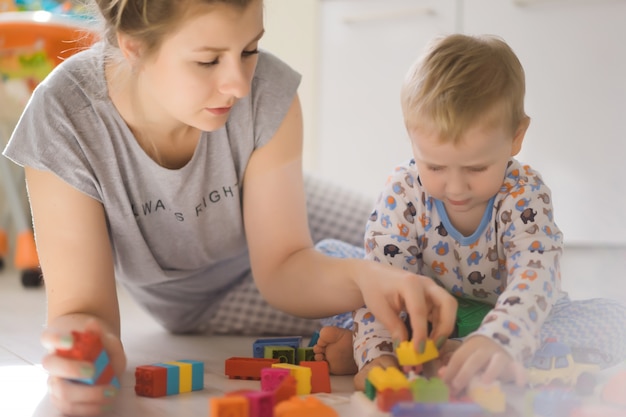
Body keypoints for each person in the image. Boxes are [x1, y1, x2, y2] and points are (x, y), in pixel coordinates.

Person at [2, 1, 457, 415]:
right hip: (205, 295)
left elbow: (286, 259)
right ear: (134, 47)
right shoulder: (64, 119)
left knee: (444, 263)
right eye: (207, 60)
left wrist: (368, 274)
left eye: (250, 49)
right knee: (425, 313)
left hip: (289, 232)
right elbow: (86, 310)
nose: (238, 84)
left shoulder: (265, 91)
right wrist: (85, 352)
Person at [313, 33, 626, 396]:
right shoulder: (403, 190)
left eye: (476, 168)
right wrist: (376, 351)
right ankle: (381, 350)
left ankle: (470, 354)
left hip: (505, 313)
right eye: (436, 167)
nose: (456, 188)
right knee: (330, 258)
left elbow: (534, 277)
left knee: (615, 318)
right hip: (420, 316)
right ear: (412, 137)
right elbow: (382, 279)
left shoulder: (524, 193)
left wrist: (499, 338)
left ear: (516, 137)